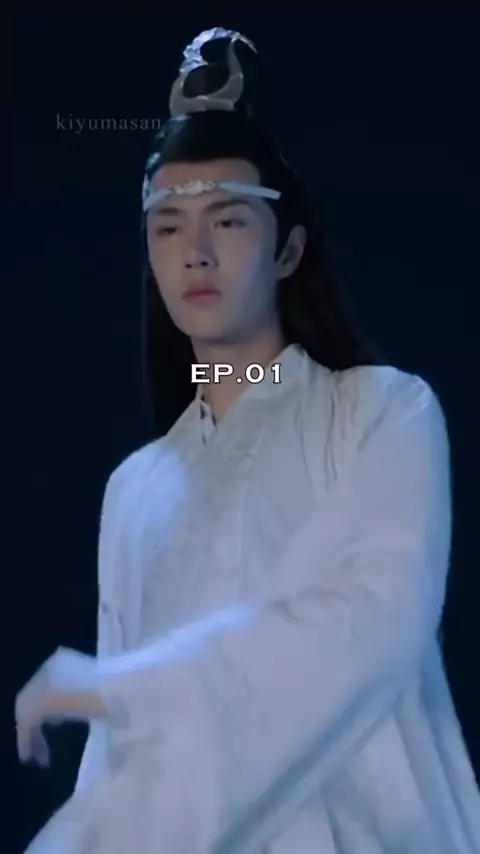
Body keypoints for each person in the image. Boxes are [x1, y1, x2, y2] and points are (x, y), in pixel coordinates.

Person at [16, 27, 480, 854]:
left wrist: (121, 686)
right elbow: (115, 763)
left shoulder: (383, 413)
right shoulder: (135, 488)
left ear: (288, 248)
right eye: (167, 228)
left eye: (227, 220)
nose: (195, 253)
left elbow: (371, 620)